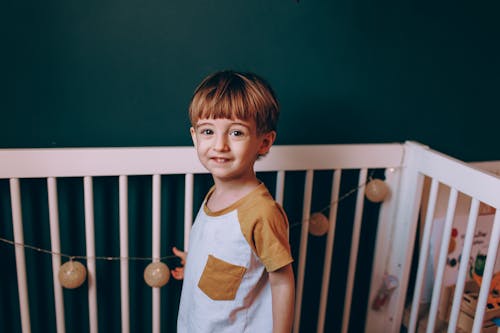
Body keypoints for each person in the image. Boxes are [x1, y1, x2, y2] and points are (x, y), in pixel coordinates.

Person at [171, 70, 295, 333]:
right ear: (194, 137)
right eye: (208, 131)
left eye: (236, 133)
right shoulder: (214, 194)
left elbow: (282, 282)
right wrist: (194, 265)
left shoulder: (260, 212)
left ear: (264, 142)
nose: (220, 145)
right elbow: (231, 255)